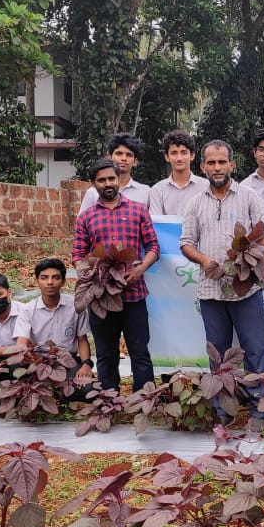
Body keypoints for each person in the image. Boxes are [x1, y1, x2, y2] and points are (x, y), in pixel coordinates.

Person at [179, 139, 264, 430]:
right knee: (218, 354)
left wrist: (249, 255)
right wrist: (203, 259)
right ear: (203, 166)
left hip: (246, 289)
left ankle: (260, 410)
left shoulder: (248, 197)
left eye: (222, 162)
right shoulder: (195, 202)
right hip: (211, 292)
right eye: (212, 162)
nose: (217, 167)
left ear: (232, 165)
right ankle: (223, 409)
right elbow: (185, 243)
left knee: (254, 349)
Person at [73, 158, 160, 391]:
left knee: (140, 352)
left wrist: (140, 269)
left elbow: (153, 247)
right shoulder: (86, 217)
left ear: (119, 180)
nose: (108, 183)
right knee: (105, 352)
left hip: (134, 294)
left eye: (112, 178)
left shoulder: (138, 211)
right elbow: (78, 255)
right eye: (101, 180)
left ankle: (144, 401)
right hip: (101, 297)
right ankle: (109, 401)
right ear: (94, 184)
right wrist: (94, 275)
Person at [13, 258, 93, 382]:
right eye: (44, 278)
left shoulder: (75, 306)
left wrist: (86, 364)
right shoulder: (27, 310)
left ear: (63, 282)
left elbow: (82, 340)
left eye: (55, 277)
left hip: (67, 360)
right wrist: (24, 353)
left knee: (86, 389)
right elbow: (21, 340)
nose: (50, 282)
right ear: (37, 282)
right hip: (39, 361)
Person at [77, 133, 152, 215]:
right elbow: (81, 224)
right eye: (119, 154)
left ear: (135, 162)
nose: (124, 158)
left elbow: (151, 224)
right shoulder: (93, 192)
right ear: (109, 157)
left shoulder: (145, 192)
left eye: (129, 155)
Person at [148, 130, 209, 215]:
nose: (179, 158)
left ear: (192, 155)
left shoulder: (206, 187)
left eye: (184, 153)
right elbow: (157, 223)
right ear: (167, 157)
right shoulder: (157, 190)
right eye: (174, 153)